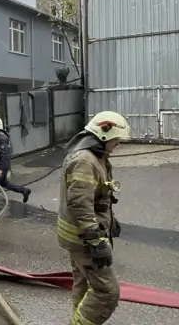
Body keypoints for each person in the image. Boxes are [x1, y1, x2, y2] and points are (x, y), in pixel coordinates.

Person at [57, 111, 129, 325]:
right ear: (104, 135)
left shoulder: (95, 156)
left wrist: (110, 221)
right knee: (107, 292)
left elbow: (95, 195)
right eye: (116, 139)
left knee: (84, 284)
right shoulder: (85, 161)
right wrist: (96, 240)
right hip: (84, 238)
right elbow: (80, 202)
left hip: (78, 236)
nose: (117, 144)